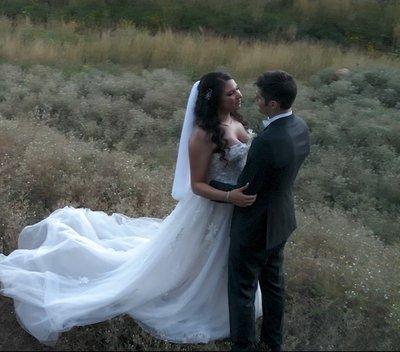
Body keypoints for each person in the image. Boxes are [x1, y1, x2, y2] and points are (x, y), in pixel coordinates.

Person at [0, 71, 260, 346]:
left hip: (236, 207)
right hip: (214, 209)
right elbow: (196, 185)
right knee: (203, 261)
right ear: (213, 99)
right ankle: (206, 304)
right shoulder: (203, 135)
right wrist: (230, 196)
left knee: (225, 259)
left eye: (238, 90)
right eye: (230, 93)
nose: (238, 95)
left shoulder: (235, 120)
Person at [210, 70, 310, 351]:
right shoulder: (300, 126)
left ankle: (243, 347)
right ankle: (273, 343)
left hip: (255, 226)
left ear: (273, 104)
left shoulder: (267, 141)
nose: (255, 100)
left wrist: (209, 186)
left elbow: (246, 191)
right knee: (274, 286)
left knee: (242, 291)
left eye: (260, 97)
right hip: (281, 220)